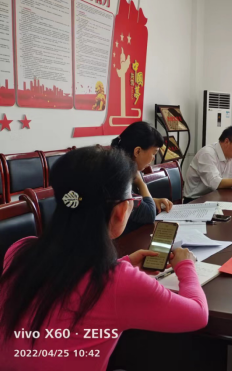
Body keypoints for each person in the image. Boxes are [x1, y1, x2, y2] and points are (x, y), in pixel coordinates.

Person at [0, 147, 208, 371]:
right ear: (121, 210)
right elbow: (197, 314)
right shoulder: (118, 281)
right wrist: (185, 265)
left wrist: (123, 263)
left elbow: (71, 280)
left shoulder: (20, 250)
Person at [111, 121, 173, 235]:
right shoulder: (119, 176)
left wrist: (153, 201)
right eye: (154, 153)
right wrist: (140, 182)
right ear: (137, 151)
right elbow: (149, 214)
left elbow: (135, 203)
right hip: (121, 241)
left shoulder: (121, 166)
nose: (153, 158)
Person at [184, 126, 232, 200]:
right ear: (227, 142)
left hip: (216, 197)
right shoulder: (207, 154)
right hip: (196, 200)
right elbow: (216, 183)